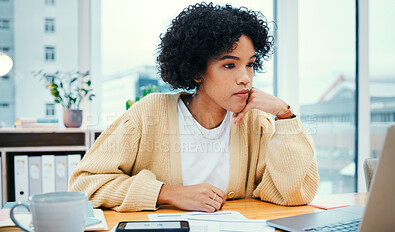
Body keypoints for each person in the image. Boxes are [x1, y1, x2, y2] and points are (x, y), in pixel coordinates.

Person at [69, 3, 319, 212]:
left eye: (250, 64)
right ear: (197, 71)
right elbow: (84, 184)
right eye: (230, 65)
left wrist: (284, 114)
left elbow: (296, 193)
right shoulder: (149, 114)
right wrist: (167, 193)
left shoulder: (257, 122)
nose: (246, 78)